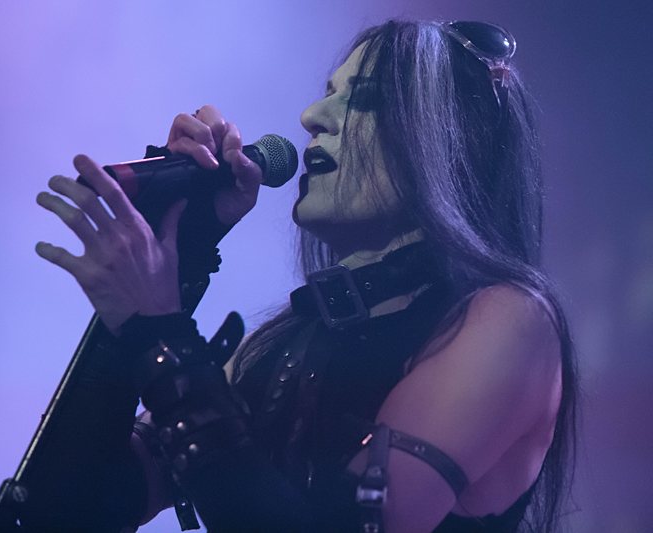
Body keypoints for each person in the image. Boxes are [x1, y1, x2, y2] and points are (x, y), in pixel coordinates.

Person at [35, 18, 577, 533]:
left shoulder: (510, 321)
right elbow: (72, 510)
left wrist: (160, 334)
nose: (312, 116)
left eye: (362, 99)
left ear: (448, 139)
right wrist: (178, 256)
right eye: (327, 94)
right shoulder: (273, 351)